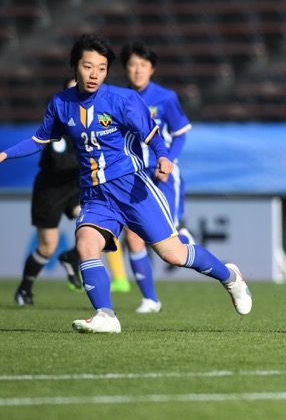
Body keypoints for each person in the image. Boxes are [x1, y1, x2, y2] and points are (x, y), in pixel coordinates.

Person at [0, 33, 252, 333]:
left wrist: (163, 156)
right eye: (88, 66)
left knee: (174, 254)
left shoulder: (123, 99)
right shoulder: (61, 103)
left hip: (132, 188)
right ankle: (106, 315)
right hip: (96, 195)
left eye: (102, 68)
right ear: (74, 67)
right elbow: (39, 139)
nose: (95, 74)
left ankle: (231, 278)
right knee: (86, 244)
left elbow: (152, 134)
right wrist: (5, 154)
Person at [117, 40, 196, 314]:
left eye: (143, 64)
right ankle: (150, 299)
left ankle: (188, 239)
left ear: (152, 69)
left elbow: (180, 134)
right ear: (126, 69)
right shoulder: (119, 99)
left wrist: (168, 161)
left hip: (163, 175)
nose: (138, 70)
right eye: (132, 64)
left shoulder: (166, 97)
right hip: (135, 175)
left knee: (168, 241)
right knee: (133, 236)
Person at [14, 78, 84, 306]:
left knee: (102, 224)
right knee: (47, 247)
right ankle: (24, 289)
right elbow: (59, 162)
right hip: (50, 191)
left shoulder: (93, 118)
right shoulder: (58, 120)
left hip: (75, 188)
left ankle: (71, 257)